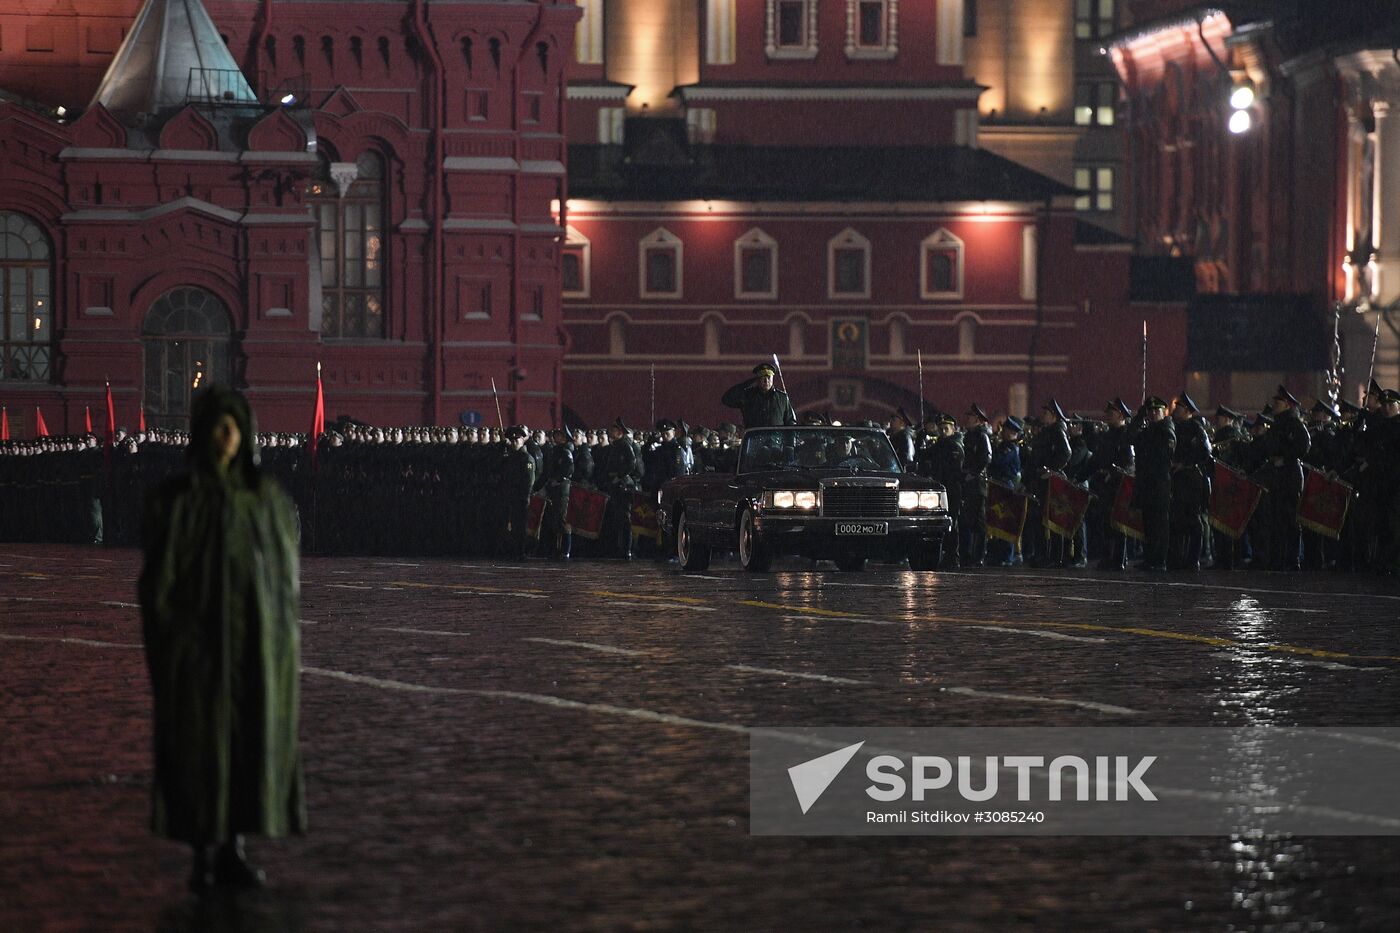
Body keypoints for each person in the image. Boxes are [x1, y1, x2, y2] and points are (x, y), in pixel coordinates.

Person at [137, 385, 306, 892]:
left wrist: (280, 647)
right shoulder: (179, 500)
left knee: (245, 745)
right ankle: (201, 853)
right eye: (217, 425)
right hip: (199, 651)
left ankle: (233, 845)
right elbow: (159, 581)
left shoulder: (266, 499)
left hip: (254, 649)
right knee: (198, 747)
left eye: (232, 426)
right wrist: (169, 642)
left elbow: (284, 580)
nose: (225, 436)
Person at [1130, 397, 1175, 571]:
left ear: (1164, 412)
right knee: (1148, 523)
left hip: (1160, 482)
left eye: (1157, 410)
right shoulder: (1147, 430)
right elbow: (1130, 437)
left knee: (1159, 524)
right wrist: (1139, 417)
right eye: (1151, 411)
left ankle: (1159, 560)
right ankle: (1150, 558)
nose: (1154, 413)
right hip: (1147, 482)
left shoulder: (1166, 428)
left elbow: (1166, 453)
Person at [1168, 392, 1212, 570]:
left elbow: (1205, 452)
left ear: (1186, 410)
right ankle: (1177, 558)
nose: (1175, 410)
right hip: (1176, 479)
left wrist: (1185, 463)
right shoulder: (1172, 426)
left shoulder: (1196, 429)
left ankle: (1193, 559)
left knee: (1193, 521)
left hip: (1191, 479)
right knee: (1177, 521)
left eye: (1178, 407)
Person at [721, 363, 797, 429]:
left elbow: (791, 422)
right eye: (763, 377)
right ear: (757, 379)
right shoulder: (748, 396)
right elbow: (727, 399)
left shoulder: (782, 397)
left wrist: (789, 444)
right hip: (754, 442)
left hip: (776, 443)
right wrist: (747, 384)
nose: (766, 380)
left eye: (768, 377)